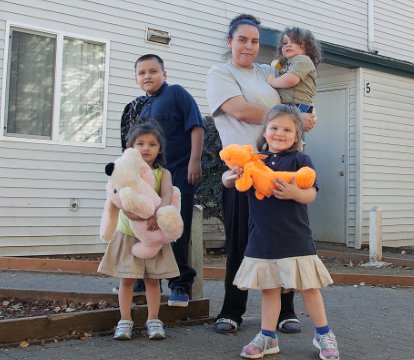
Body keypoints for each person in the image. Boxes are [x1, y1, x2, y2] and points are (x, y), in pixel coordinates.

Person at [206, 14, 316, 334]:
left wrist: (307, 114)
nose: (249, 46)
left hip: (282, 168)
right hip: (243, 170)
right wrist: (292, 116)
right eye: (242, 39)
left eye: (255, 41)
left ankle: (286, 311)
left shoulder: (269, 71)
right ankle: (232, 310)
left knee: (285, 240)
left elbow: (297, 93)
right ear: (230, 42)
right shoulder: (221, 72)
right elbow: (240, 109)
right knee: (241, 241)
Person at [224, 104, 339, 360]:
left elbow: (311, 193)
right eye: (274, 127)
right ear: (265, 131)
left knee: (309, 288)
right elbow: (227, 178)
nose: (279, 133)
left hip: (295, 238)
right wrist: (231, 177)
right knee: (270, 289)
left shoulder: (300, 160)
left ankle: (324, 334)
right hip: (263, 239)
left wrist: (294, 193)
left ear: (297, 136)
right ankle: (268, 336)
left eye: (287, 129)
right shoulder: (253, 160)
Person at [118, 54, 205, 307]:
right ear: (136, 78)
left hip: (179, 172)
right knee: (143, 225)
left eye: (153, 71)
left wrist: (195, 160)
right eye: (142, 73)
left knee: (175, 226)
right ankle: (139, 277)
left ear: (164, 74)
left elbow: (196, 126)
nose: (147, 76)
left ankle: (179, 284)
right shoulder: (140, 106)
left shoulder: (176, 93)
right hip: (149, 178)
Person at [98, 121, 180, 340]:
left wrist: (157, 214)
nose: (146, 148)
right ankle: (125, 320)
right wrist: (133, 214)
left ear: (160, 148)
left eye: (152, 144)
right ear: (130, 146)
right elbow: (120, 197)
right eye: (141, 143)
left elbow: (167, 195)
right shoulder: (124, 170)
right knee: (127, 280)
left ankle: (154, 320)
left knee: (153, 280)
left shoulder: (164, 173)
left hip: (154, 235)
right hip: (128, 234)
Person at [267, 26, 321, 114]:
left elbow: (291, 79)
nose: (288, 44)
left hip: (299, 106)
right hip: (293, 105)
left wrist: (273, 81)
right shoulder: (288, 62)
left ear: (307, 47)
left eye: (295, 42)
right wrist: (277, 63)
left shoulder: (302, 59)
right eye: (285, 43)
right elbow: (276, 68)